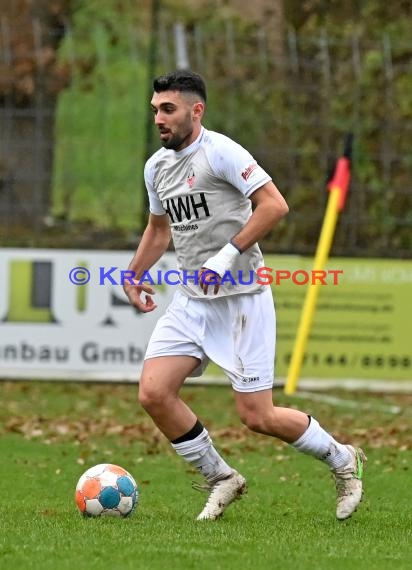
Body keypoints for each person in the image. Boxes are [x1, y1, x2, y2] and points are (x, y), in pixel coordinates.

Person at [124, 69, 366, 521]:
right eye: (155, 109)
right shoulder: (156, 166)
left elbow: (274, 204)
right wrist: (133, 275)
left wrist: (225, 255)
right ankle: (222, 478)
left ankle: (342, 459)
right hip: (193, 301)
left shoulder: (221, 153)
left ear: (196, 112)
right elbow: (159, 230)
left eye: (168, 109)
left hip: (242, 300)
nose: (159, 118)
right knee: (155, 392)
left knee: (258, 417)